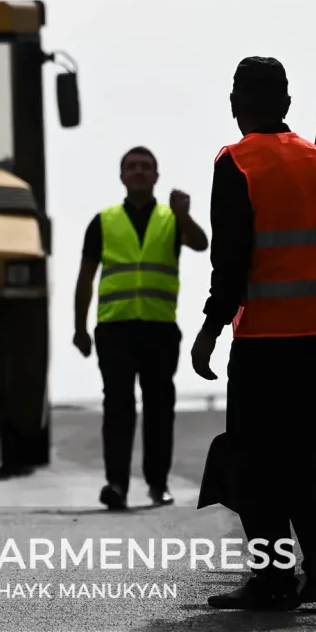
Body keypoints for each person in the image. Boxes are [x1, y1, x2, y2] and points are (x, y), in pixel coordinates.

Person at [191, 56, 316, 611]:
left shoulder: (237, 162)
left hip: (264, 340)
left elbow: (231, 261)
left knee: (254, 462)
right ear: (285, 104)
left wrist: (210, 328)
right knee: (302, 455)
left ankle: (274, 577)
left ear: (236, 104)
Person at [74, 146, 209, 509]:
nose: (138, 171)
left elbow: (201, 244)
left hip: (159, 327)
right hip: (114, 328)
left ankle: (158, 484)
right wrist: (79, 328)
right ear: (121, 176)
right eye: (131, 166)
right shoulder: (103, 221)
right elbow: (85, 278)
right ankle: (116, 484)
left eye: (145, 167)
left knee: (159, 408)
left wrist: (184, 215)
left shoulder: (171, 218)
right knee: (118, 406)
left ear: (156, 176)